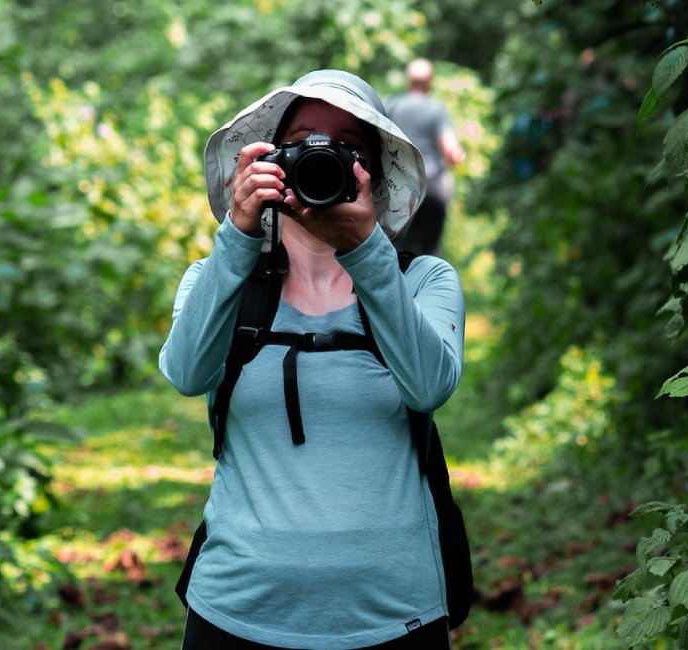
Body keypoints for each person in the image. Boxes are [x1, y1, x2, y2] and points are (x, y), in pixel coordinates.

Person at [159, 69, 465, 649]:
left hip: (396, 613)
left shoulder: (424, 279)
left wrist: (365, 250)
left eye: (348, 147)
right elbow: (185, 373)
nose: (322, 157)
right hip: (235, 609)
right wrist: (237, 237)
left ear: (375, 176)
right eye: (301, 142)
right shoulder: (218, 279)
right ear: (269, 161)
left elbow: (429, 387)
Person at [386, 59, 467, 258]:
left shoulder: (392, 106)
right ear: (430, 82)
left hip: (399, 189)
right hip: (431, 188)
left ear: (409, 81)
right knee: (430, 252)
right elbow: (451, 151)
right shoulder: (436, 109)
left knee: (400, 251)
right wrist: (456, 157)